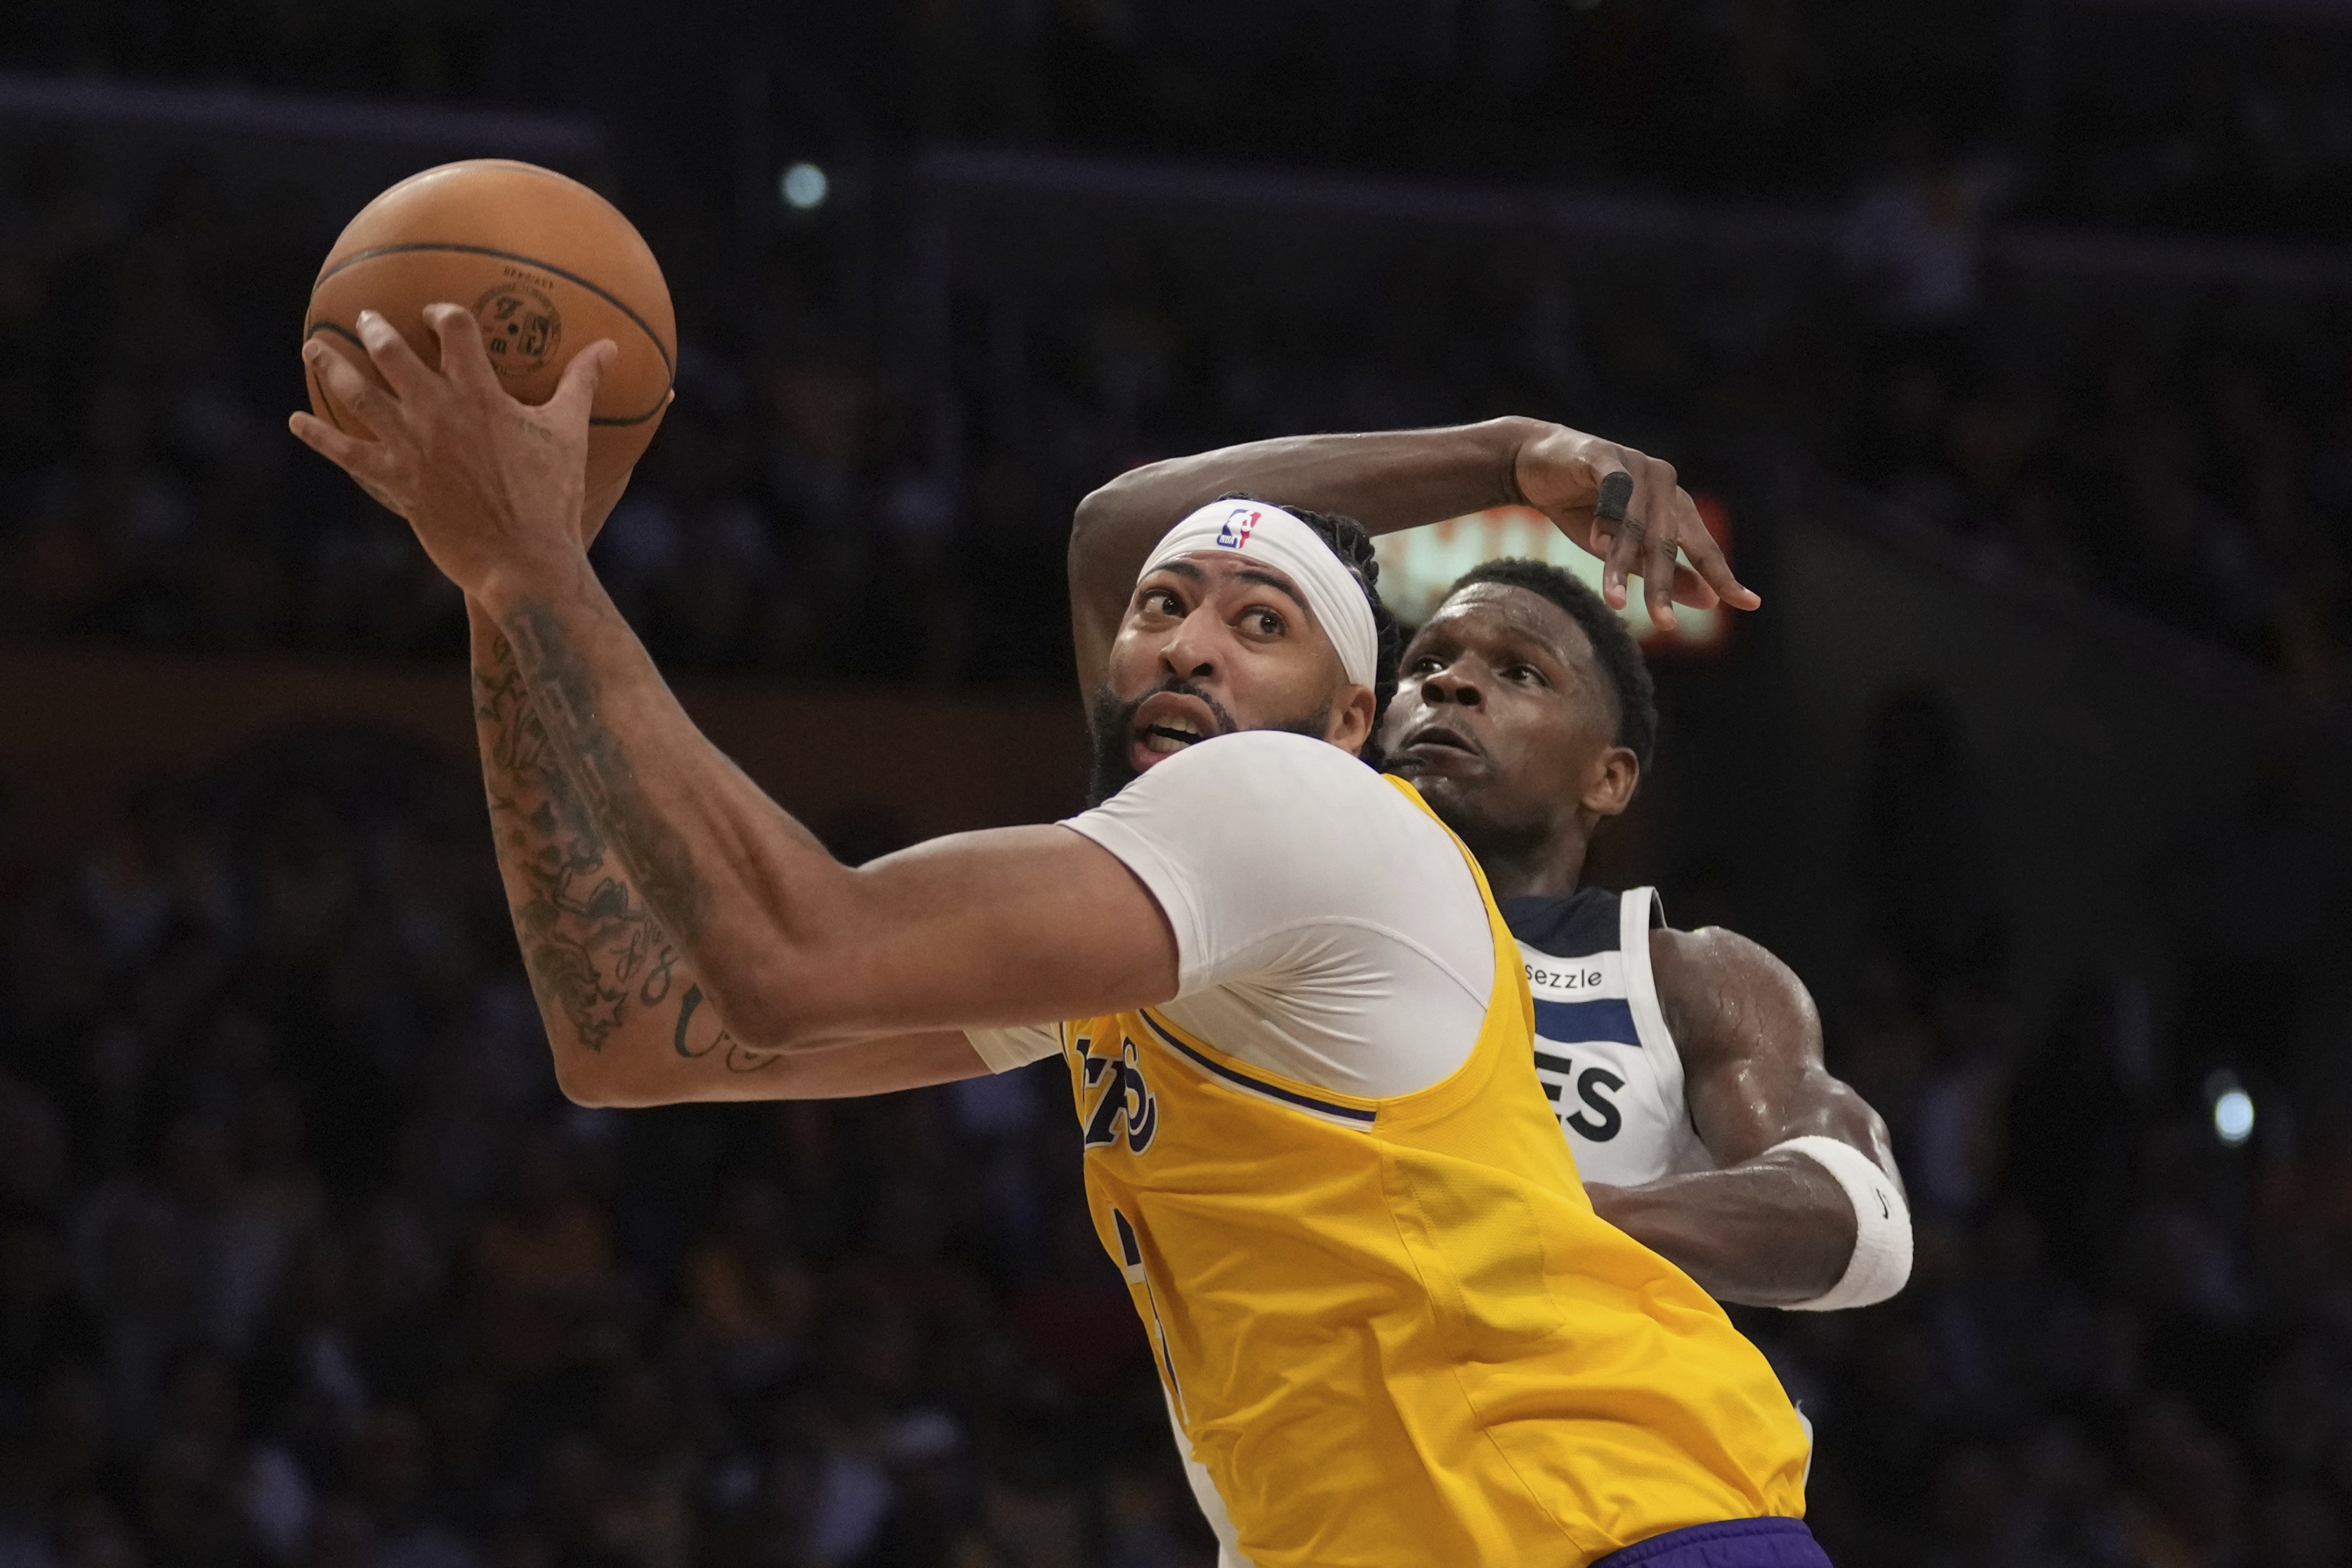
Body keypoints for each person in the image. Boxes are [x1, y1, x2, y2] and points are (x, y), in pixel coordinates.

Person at [292, 310, 1821, 1567]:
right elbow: (631, 1038)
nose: (1190, 640)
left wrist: (536, 569)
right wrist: (497, 597)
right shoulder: (1149, 968)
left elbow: (791, 953)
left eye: (1260, 625)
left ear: (1352, 722)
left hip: (1621, 1528)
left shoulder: (1299, 810)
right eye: (1165, 610)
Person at [1062, 419, 1911, 1316]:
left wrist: (1526, 1220)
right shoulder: (1257, 872)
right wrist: (1506, 457)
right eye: (1425, 662)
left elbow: (1858, 1209)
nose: (1448, 685)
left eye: (1520, 673)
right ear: (1357, 719)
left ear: (1609, 776)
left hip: (1592, 1438)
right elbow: (1120, 534)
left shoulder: (1679, 975)